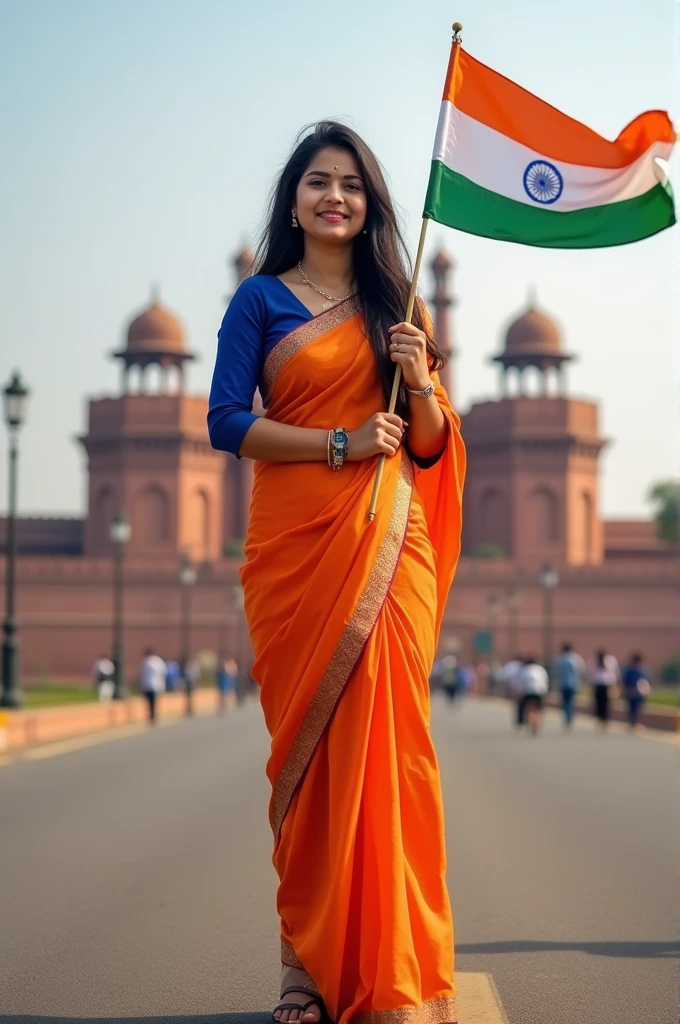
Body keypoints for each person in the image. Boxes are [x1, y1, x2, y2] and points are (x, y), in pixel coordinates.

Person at [208, 121, 466, 1024]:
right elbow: (227, 422)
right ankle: (304, 965)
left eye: (352, 185)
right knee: (308, 761)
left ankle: (394, 959)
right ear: (294, 200)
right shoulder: (261, 301)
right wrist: (341, 443)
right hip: (294, 547)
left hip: (391, 546)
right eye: (319, 182)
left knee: (394, 752)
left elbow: (429, 448)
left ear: (371, 204)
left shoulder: (397, 301)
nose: (335, 197)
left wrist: (420, 379)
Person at [553, 642, 586, 728]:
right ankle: (570, 716)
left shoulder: (560, 659)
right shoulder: (576, 658)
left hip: (563, 683)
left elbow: (557, 672)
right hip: (573, 683)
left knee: (565, 701)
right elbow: (581, 670)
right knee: (571, 701)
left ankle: (567, 717)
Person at [587, 649, 620, 730]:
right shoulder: (593, 661)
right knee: (598, 704)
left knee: (607, 704)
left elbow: (615, 673)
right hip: (598, 685)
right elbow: (590, 674)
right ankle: (600, 719)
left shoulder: (611, 661)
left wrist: (614, 685)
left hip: (607, 685)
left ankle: (605, 719)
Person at [515, 655, 549, 736]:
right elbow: (546, 681)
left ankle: (530, 723)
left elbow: (521, 683)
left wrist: (519, 693)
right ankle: (536, 724)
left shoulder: (525, 670)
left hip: (528, 692)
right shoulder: (541, 669)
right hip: (540, 691)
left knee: (529, 709)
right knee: (537, 709)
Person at [621, 652, 651, 731]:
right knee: (631, 708)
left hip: (639, 693)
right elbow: (625, 681)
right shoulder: (629, 670)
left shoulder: (642, 670)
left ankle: (636, 723)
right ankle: (632, 723)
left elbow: (645, 681)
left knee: (638, 708)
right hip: (631, 691)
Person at [139, 648, 166, 723]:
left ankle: (152, 716)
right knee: (152, 702)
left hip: (151, 685)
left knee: (151, 702)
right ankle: (153, 716)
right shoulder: (158, 661)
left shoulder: (148, 662)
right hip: (155, 684)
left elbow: (143, 674)